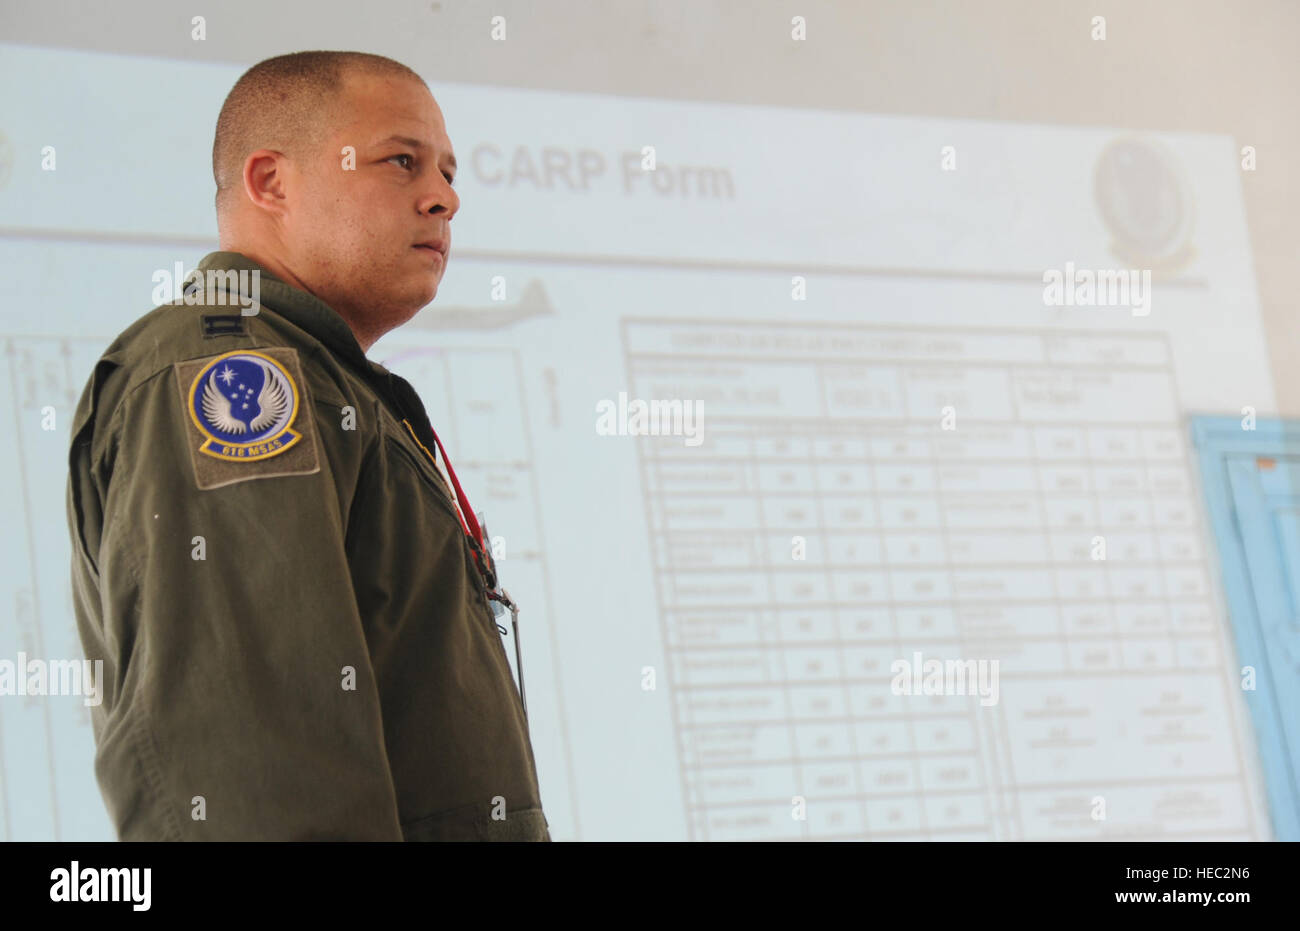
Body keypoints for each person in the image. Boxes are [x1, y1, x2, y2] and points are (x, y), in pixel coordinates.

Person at [64, 50, 550, 841]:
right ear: (269, 182)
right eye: (403, 162)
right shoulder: (232, 370)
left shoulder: (328, 381)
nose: (445, 198)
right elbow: (259, 778)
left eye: (450, 173)